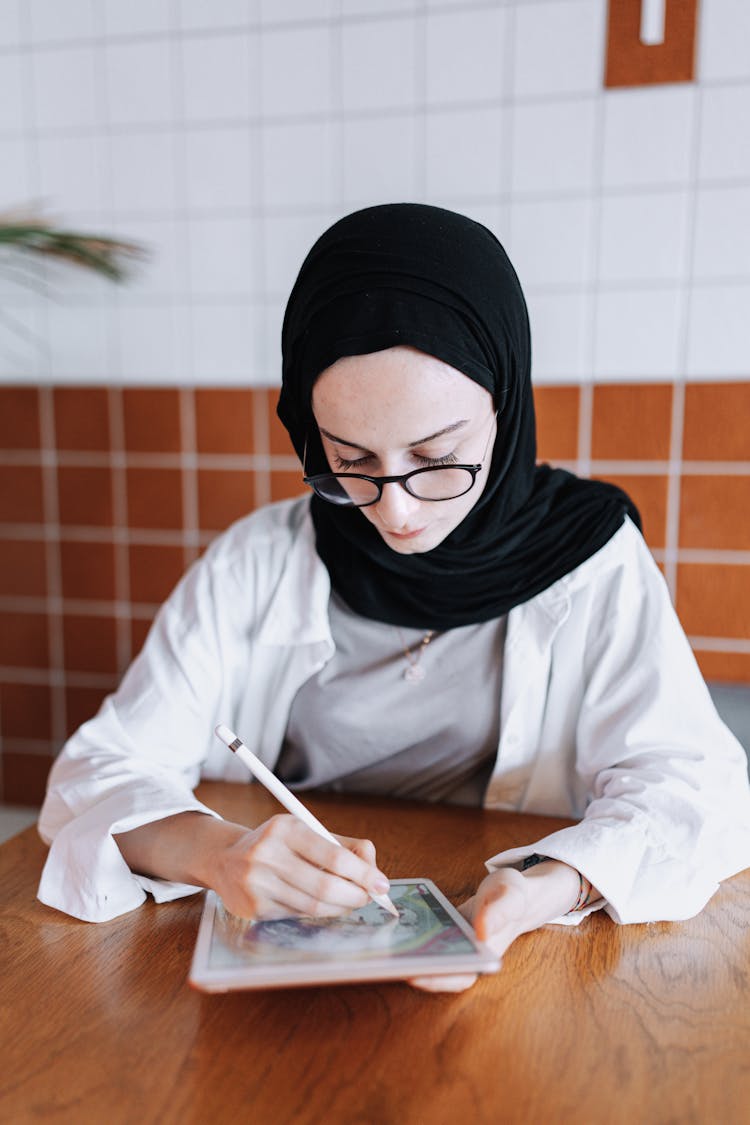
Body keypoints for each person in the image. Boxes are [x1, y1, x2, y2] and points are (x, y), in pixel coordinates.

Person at [37, 203, 750, 992]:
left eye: (436, 456)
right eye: (349, 460)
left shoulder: (591, 560)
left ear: (504, 409)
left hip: (525, 977)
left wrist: (549, 884)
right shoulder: (260, 560)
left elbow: (700, 792)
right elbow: (94, 772)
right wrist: (215, 851)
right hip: (288, 960)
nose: (396, 510)